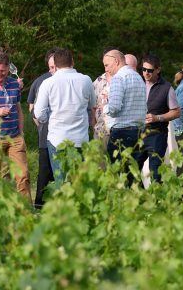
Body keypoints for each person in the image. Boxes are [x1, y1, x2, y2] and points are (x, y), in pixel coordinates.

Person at [34, 48, 96, 185]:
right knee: (78, 183)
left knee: (61, 183)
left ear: (54, 65)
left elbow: (38, 113)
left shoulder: (48, 83)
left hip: (57, 139)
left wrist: (46, 119)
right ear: (72, 62)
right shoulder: (86, 80)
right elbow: (93, 104)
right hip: (80, 139)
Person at [0, 52, 31, 202]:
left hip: (14, 137)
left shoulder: (14, 84)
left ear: (7, 69)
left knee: (23, 174)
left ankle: (26, 210)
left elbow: (19, 110)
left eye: (3, 71)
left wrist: (21, 132)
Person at [102, 49, 147, 187]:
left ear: (116, 61)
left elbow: (114, 108)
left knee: (113, 175)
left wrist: (105, 107)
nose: (106, 70)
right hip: (139, 132)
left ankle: (114, 206)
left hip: (121, 132)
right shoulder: (138, 77)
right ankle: (138, 205)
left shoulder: (118, 78)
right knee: (133, 175)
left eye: (106, 65)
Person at [138, 55, 180, 184]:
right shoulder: (137, 83)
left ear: (158, 70)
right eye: (143, 69)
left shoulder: (167, 88)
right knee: (131, 167)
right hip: (137, 133)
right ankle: (138, 199)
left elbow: (176, 112)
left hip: (157, 135)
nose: (146, 73)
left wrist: (158, 117)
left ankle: (158, 201)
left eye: (149, 70)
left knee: (155, 172)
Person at [27, 48, 58, 208]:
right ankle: (40, 205)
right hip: (45, 135)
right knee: (44, 173)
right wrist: (40, 125)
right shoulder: (40, 81)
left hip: (63, 136)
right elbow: (31, 106)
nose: (54, 69)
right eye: (52, 65)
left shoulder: (69, 79)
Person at [92, 47, 119, 148]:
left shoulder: (122, 79)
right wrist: (93, 125)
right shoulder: (98, 81)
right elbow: (93, 106)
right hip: (100, 131)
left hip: (118, 131)